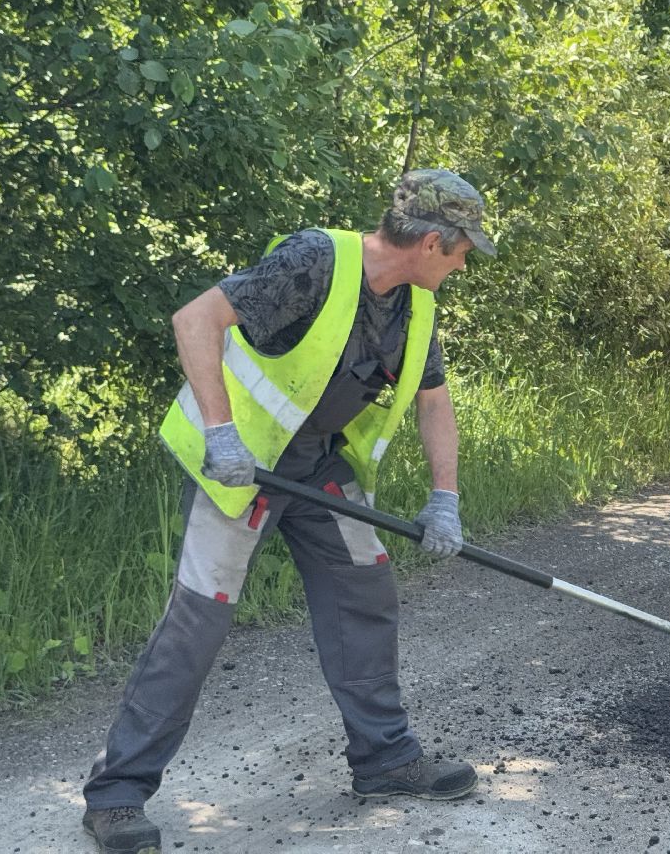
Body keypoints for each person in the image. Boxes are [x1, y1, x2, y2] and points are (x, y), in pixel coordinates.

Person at [81, 169, 496, 854]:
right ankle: (118, 796)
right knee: (199, 620)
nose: (463, 263)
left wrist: (444, 496)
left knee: (365, 590)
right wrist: (221, 434)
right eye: (462, 251)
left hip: (317, 468)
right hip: (241, 466)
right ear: (430, 242)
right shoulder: (316, 262)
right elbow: (196, 319)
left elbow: (432, 399)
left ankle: (386, 759)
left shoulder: (416, 307)